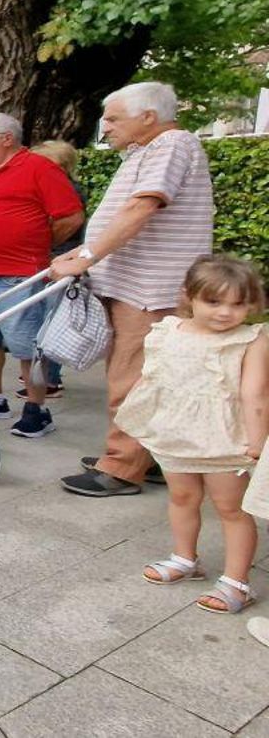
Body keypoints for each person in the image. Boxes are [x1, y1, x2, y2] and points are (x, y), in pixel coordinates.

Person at [55, 82, 217, 497]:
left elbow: (141, 207)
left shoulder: (171, 145)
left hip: (149, 289)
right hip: (137, 285)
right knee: (141, 375)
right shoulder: (148, 150)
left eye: (112, 117)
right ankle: (149, 458)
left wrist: (86, 257)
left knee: (132, 379)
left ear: (148, 116)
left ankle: (123, 466)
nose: (104, 127)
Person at [124, 257, 267, 613]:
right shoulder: (166, 331)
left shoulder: (251, 339)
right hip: (175, 433)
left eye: (238, 303)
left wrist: (257, 440)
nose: (225, 313)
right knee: (182, 498)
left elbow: (256, 394)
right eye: (214, 302)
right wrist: (146, 420)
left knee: (230, 508)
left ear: (253, 303)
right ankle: (185, 558)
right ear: (189, 296)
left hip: (226, 441)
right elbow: (154, 380)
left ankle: (236, 582)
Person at [0, 112, 84, 437]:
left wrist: (36, 242)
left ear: (6, 138)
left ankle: (37, 408)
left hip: (18, 273)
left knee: (28, 345)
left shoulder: (39, 168)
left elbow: (71, 216)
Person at [27, 139, 89, 399]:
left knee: (50, 318)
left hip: (60, 258)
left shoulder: (65, 189)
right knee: (47, 317)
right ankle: (46, 376)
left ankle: (49, 379)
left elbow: (67, 223)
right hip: (59, 257)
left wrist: (45, 242)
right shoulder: (67, 187)